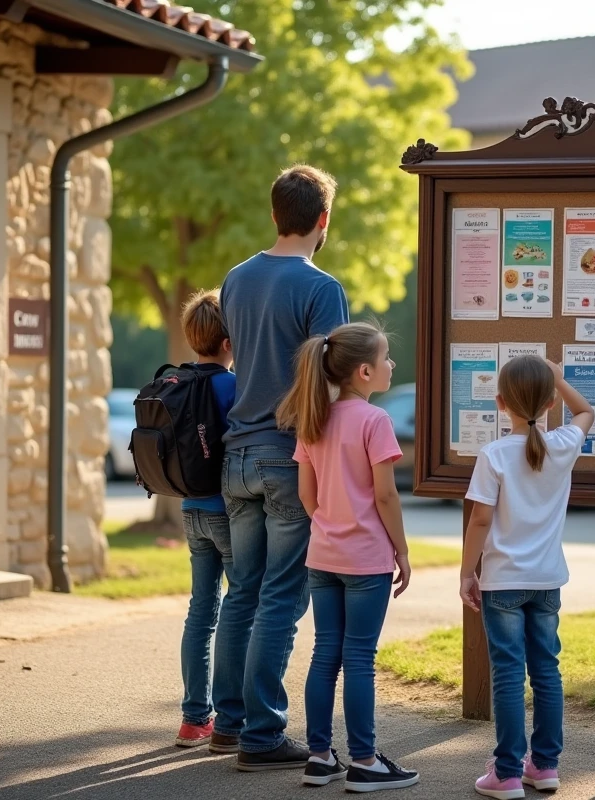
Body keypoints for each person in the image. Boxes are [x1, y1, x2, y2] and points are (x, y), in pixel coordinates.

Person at [212, 165, 351, 769]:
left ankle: (229, 723)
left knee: (240, 591)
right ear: (323, 220)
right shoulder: (322, 289)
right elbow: (330, 377)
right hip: (286, 455)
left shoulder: (236, 278)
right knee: (280, 596)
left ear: (275, 214)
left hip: (236, 453)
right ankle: (264, 737)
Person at [276, 321, 420, 792]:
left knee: (325, 655)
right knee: (359, 657)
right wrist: (400, 548)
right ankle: (364, 762)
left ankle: (319, 757)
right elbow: (385, 498)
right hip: (365, 559)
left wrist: (329, 525)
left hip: (324, 556)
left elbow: (306, 494)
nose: (391, 364)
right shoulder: (375, 422)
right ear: (364, 371)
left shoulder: (314, 418)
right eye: (385, 358)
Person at [459, 356, 595, 800]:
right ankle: (545, 766)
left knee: (507, 674)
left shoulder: (494, 454)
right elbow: (587, 413)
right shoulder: (561, 446)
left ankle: (506, 773)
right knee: (547, 671)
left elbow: (480, 520)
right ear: (552, 400)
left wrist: (467, 572)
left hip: (502, 583)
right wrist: (559, 378)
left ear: (501, 403)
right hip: (547, 580)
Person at [174, 289, 238, 748]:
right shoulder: (230, 386)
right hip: (226, 511)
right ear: (229, 341)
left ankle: (194, 718)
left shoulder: (177, 382)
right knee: (242, 608)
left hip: (190, 509)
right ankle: (234, 716)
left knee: (201, 613)